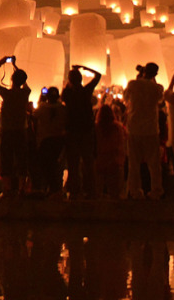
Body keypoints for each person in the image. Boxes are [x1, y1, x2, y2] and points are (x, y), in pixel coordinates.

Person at [0, 57, 32, 196]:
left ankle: (7, 189)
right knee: (21, 159)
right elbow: (25, 84)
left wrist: (0, 63)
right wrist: (16, 67)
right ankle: (21, 188)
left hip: (7, 131)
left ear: (12, 79)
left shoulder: (6, 93)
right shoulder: (25, 93)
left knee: (6, 159)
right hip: (21, 130)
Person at [124, 62, 165, 199]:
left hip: (134, 127)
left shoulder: (133, 84)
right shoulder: (157, 87)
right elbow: (160, 99)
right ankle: (156, 190)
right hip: (151, 129)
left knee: (133, 163)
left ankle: (135, 191)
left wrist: (139, 77)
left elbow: (126, 98)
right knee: (154, 164)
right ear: (155, 74)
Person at [61, 64, 102, 197]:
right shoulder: (86, 91)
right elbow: (98, 76)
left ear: (69, 80)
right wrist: (84, 68)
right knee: (88, 162)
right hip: (86, 130)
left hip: (72, 130)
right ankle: (90, 190)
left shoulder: (67, 93)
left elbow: (65, 94)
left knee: (73, 163)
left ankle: (74, 190)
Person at [34, 86, 67, 195]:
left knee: (45, 166)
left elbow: (34, 117)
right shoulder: (63, 109)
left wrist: (40, 101)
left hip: (45, 141)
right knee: (56, 166)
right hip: (59, 141)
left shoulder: (42, 108)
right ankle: (57, 188)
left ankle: (51, 188)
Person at [95, 101, 127, 199]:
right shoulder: (118, 127)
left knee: (98, 191)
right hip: (114, 160)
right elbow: (122, 142)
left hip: (100, 160)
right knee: (115, 192)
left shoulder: (96, 127)